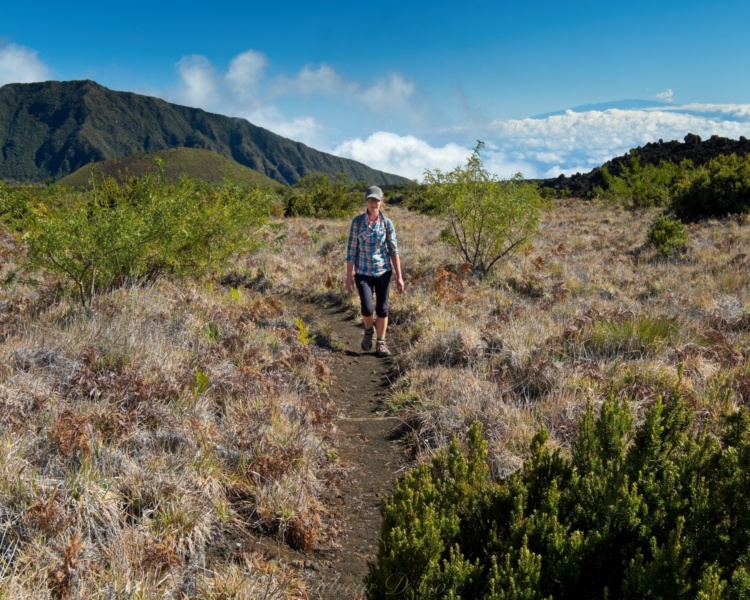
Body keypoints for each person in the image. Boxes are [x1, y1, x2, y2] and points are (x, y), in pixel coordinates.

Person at [345, 185, 405, 357]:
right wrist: (349, 278)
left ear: (382, 202)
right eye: (370, 200)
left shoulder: (387, 223)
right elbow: (351, 251)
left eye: (376, 200)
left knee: (382, 308)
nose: (373, 203)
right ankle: (368, 329)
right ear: (366, 201)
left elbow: (394, 250)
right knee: (367, 307)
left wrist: (400, 277)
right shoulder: (357, 222)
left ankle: (381, 342)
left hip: (383, 271)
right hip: (363, 271)